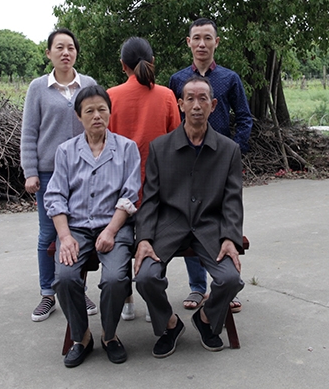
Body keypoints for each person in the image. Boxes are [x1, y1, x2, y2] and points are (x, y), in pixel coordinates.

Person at [134, 75, 245, 357]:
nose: (197, 105)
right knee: (146, 277)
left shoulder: (229, 150)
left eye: (203, 99)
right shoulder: (161, 147)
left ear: (214, 105)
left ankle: (206, 318)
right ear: (180, 104)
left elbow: (232, 200)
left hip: (209, 226)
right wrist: (144, 238)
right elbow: (150, 199)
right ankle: (170, 325)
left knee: (230, 279)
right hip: (169, 226)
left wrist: (231, 237)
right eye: (190, 99)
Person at [44, 85, 141, 367]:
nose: (97, 116)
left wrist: (111, 231)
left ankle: (109, 335)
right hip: (75, 227)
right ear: (79, 116)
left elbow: (130, 194)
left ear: (110, 112)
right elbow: (55, 196)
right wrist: (65, 236)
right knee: (64, 277)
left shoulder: (126, 148)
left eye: (102, 109)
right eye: (90, 111)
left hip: (114, 226)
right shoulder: (65, 152)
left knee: (115, 279)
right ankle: (81, 337)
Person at [168, 18, 252, 313]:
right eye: (196, 38)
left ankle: (225, 286)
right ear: (188, 42)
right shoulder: (178, 80)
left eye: (208, 38)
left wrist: (234, 152)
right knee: (190, 220)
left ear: (217, 42)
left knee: (221, 219)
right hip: (186, 164)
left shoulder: (230, 79)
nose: (202, 44)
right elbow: (171, 121)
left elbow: (244, 117)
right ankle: (197, 285)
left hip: (220, 163)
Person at [20, 29, 98, 322]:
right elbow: (29, 133)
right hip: (48, 171)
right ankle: (47, 293)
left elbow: (99, 121)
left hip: (83, 170)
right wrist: (30, 171)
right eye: (59, 48)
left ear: (76, 52)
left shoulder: (87, 84)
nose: (66, 53)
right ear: (49, 53)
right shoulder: (38, 88)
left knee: (79, 231)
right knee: (49, 233)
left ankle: (77, 287)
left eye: (71, 48)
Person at [107, 37, 181, 322]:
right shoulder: (165, 96)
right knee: (155, 243)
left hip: (120, 190)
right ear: (152, 62)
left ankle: (126, 302)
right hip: (157, 189)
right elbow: (176, 140)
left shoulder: (110, 96)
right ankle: (154, 302)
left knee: (122, 246)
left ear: (123, 65)